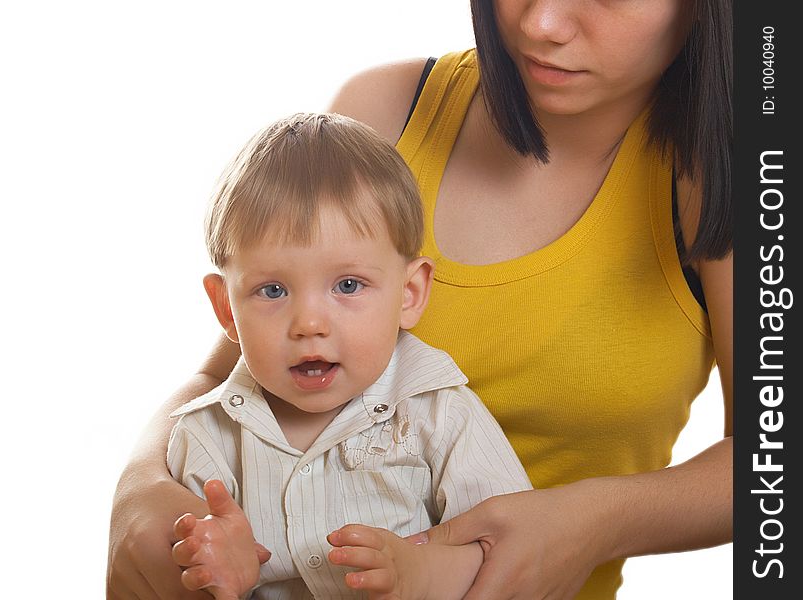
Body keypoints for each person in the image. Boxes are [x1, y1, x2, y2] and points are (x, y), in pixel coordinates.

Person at [107, 1, 733, 598]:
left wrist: (593, 521)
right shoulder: (382, 115)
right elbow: (225, 380)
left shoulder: (733, 173)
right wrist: (141, 486)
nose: (541, 23)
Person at [165, 112, 532, 599]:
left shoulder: (437, 413)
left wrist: (423, 572)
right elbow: (147, 575)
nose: (309, 324)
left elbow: (512, 549)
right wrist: (210, 572)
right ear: (225, 308)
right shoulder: (206, 437)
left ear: (409, 292)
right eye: (272, 290)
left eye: (348, 285)